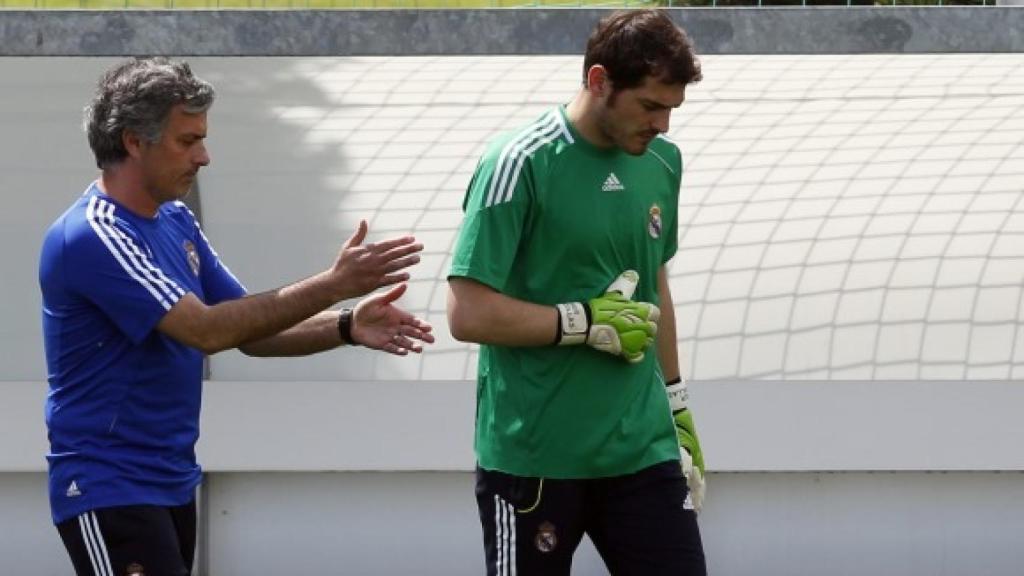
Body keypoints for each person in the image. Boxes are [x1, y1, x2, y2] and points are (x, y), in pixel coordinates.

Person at [39, 57, 434, 576]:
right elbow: (206, 330)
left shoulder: (175, 220)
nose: (204, 156)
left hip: (169, 480)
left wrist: (345, 324)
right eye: (188, 140)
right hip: (107, 484)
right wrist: (334, 282)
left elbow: (249, 331)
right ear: (135, 141)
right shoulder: (93, 235)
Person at [447, 10, 707, 576]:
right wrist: (582, 322)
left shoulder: (664, 161)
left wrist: (677, 405)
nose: (663, 124)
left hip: (643, 452)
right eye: (650, 105)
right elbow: (467, 313)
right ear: (598, 81)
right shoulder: (518, 162)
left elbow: (654, 280)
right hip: (535, 460)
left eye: (672, 109)